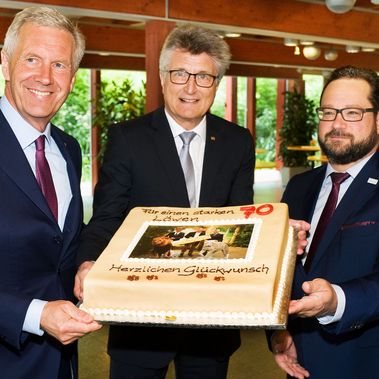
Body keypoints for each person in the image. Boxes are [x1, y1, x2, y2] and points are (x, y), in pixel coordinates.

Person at [75, 24, 254, 379]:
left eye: (203, 76)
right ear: (162, 76)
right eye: (180, 74)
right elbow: (108, 215)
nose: (190, 87)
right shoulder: (128, 139)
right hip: (140, 320)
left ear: (216, 83)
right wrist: (87, 261)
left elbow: (242, 223)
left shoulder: (237, 142)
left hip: (209, 318)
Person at [0, 7, 101, 379]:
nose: (45, 77)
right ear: (5, 61)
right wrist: (35, 315)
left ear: (73, 78)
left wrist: (91, 263)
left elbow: (61, 242)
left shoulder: (68, 148)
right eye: (32, 59)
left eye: (59, 65)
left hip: (62, 361)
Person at [270, 66, 379, 379]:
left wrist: (337, 301)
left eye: (353, 112)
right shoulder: (299, 186)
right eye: (328, 111)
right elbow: (282, 271)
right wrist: (280, 332)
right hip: (298, 360)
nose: (337, 123)